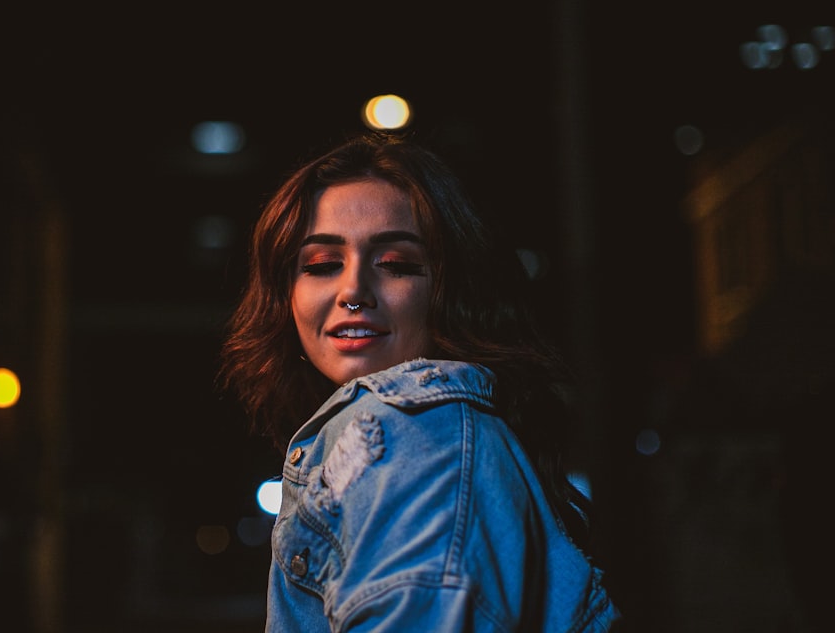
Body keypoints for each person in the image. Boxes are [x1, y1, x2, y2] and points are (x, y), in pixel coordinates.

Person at [218, 131, 621, 631]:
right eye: (321, 264)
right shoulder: (439, 431)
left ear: (451, 292)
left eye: (396, 264)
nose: (353, 290)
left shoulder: (412, 427)